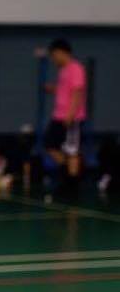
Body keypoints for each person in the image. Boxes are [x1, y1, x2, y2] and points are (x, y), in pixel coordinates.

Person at [43, 38, 87, 194]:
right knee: (50, 144)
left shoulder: (76, 69)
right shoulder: (63, 70)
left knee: (72, 149)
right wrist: (53, 89)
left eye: (54, 55)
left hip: (71, 118)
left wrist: (70, 115)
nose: (54, 59)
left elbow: (77, 93)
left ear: (62, 52)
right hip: (58, 116)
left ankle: (72, 183)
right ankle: (66, 175)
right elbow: (65, 90)